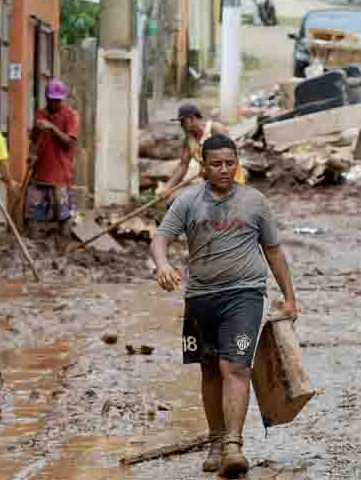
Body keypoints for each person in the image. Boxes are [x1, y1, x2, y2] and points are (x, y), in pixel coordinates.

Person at [150, 135, 297, 477]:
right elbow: (160, 238)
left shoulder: (255, 202)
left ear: (237, 163)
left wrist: (289, 297)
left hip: (244, 295)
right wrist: (162, 265)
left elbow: (274, 251)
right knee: (210, 369)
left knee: (236, 367)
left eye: (230, 163)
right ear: (203, 166)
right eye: (216, 164)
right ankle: (216, 441)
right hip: (201, 297)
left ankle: (233, 444)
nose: (224, 170)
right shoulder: (187, 202)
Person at [27, 79, 80, 250]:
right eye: (51, 99)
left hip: (60, 175)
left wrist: (51, 127)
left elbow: (68, 143)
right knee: (34, 214)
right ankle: (36, 250)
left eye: (57, 100)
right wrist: (35, 133)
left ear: (62, 99)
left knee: (63, 214)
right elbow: (34, 138)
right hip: (39, 173)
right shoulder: (40, 114)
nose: (54, 103)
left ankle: (62, 249)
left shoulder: (71, 115)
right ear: (46, 98)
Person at [163, 104, 246, 195]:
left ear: (191, 119)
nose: (181, 125)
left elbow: (230, 155)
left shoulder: (215, 129)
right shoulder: (189, 141)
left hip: (231, 179)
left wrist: (208, 167)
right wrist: (167, 187)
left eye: (183, 121)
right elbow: (182, 166)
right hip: (212, 184)